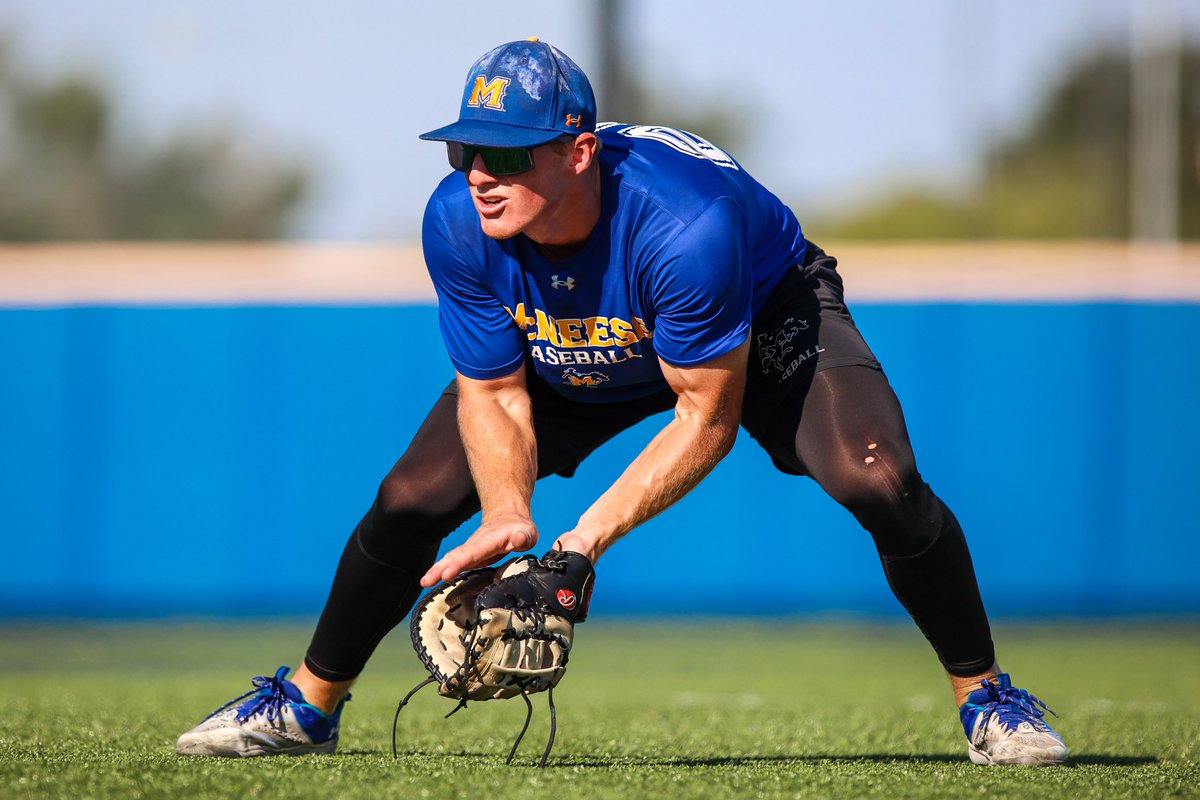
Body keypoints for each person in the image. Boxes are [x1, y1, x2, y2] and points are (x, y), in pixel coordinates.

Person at [176, 38, 1067, 766]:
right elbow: (492, 390)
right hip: (577, 334)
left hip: (756, 308)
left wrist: (576, 550)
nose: (480, 172)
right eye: (466, 148)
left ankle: (988, 698)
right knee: (411, 497)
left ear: (578, 151)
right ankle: (305, 706)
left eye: (508, 151)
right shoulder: (459, 221)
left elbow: (705, 417)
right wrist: (507, 512)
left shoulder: (687, 226)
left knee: (882, 480)